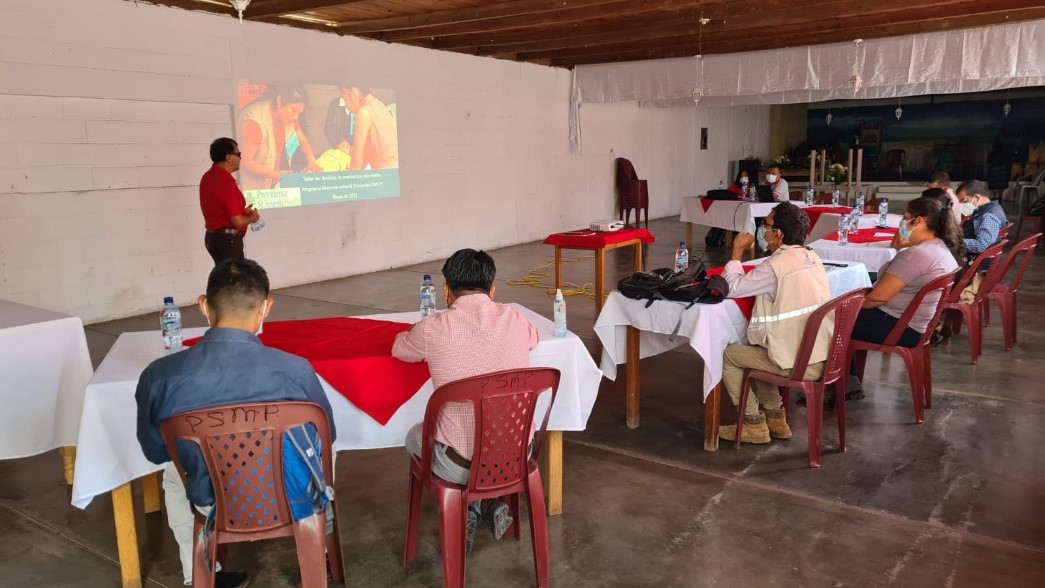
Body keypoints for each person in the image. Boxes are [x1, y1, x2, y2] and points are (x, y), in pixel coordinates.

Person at [135, 259, 337, 587]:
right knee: (325, 451)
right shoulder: (295, 370)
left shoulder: (160, 376)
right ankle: (318, 553)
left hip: (209, 499)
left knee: (173, 476)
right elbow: (326, 435)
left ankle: (197, 576)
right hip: (288, 499)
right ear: (266, 307)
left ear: (203, 305)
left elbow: (154, 449)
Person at [392, 249, 539, 552]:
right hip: (517, 456)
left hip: (459, 466)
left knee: (412, 437)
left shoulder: (433, 328)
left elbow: (400, 350)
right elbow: (533, 339)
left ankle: (469, 507)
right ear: (493, 290)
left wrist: (411, 332)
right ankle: (482, 506)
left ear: (446, 291)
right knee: (482, 437)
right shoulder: (514, 317)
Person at [717, 202, 833, 444]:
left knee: (729, 355)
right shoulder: (812, 256)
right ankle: (776, 420)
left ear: (778, 234)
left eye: (767, 225)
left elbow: (732, 288)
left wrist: (736, 253)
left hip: (798, 362)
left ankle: (753, 425)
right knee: (757, 351)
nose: (763, 230)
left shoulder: (775, 266)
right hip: (822, 355)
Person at [846, 196, 963, 399]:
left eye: (905, 217)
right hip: (915, 323)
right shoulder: (939, 247)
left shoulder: (917, 255)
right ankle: (848, 378)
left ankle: (839, 384)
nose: (902, 222)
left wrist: (843, 307)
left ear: (918, 221)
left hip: (897, 325)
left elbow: (877, 298)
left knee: (831, 323)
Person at [239, 86, 323, 191]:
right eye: (293, 111)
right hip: (254, 187)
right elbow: (246, 161)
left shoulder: (289, 117)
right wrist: (277, 175)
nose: (296, 117)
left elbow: (302, 139)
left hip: (274, 183)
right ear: (279, 100)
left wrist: (312, 162)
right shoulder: (254, 122)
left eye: (299, 113)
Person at [200, 137, 260, 265]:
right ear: (228, 157)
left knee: (225, 279)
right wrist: (253, 218)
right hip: (228, 241)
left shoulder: (208, 176)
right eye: (238, 154)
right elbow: (237, 222)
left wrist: (243, 211)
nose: (240, 158)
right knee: (234, 282)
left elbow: (220, 210)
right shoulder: (225, 182)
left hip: (215, 238)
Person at [955, 179, 1008, 304]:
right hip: (977, 263)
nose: (962, 205)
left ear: (977, 197)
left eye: (964, 201)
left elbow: (982, 245)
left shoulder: (988, 216)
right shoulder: (992, 208)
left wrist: (954, 242)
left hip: (978, 269)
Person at [338, 87, 399, 170]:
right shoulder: (380, 105)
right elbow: (365, 156)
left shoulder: (363, 112)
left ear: (353, 94)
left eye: (345, 100)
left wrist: (348, 181)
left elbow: (356, 162)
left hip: (383, 175)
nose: (346, 106)